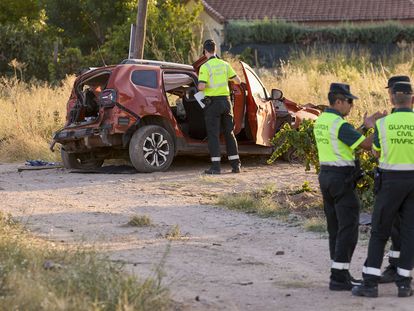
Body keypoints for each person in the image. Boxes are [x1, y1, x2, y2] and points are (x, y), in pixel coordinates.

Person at [314, 83, 380, 291]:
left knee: (334, 227)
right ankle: (339, 277)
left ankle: (339, 273)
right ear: (339, 101)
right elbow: (367, 145)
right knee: (349, 228)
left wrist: (363, 127)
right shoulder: (340, 125)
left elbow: (346, 140)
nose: (351, 106)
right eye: (349, 101)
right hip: (341, 178)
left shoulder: (322, 121)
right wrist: (378, 127)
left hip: (326, 176)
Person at [352, 81, 414, 298]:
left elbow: (376, 153)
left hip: (390, 182)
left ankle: (369, 284)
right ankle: (404, 284)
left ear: (392, 100)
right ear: (412, 99)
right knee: (409, 233)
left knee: (379, 231)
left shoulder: (383, 124)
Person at [378, 75, 411, 284]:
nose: (388, 94)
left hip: (398, 179)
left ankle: (398, 270)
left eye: (390, 90)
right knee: (398, 228)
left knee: (400, 228)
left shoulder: (394, 118)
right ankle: (397, 267)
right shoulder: (393, 116)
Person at [198, 39, 242, 174]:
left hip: (213, 104)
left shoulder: (205, 67)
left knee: (213, 135)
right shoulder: (225, 64)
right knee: (229, 133)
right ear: (215, 50)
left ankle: (216, 167)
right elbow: (238, 81)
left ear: (205, 51)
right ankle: (236, 165)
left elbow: (201, 86)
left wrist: (201, 89)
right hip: (227, 102)